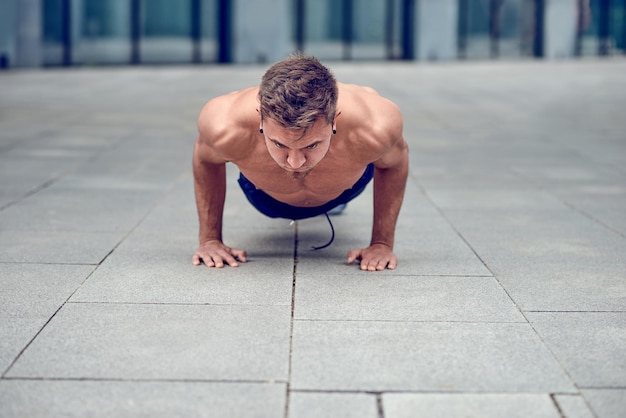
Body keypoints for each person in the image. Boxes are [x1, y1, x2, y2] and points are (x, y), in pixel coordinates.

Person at [192, 54, 408, 271]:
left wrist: (381, 244)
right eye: (279, 144)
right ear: (260, 119)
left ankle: (336, 203)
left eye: (311, 145)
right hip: (265, 196)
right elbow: (205, 159)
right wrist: (210, 240)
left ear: (334, 120)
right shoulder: (225, 125)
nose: (295, 163)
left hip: (345, 187)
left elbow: (395, 163)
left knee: (369, 151)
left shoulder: (374, 126)